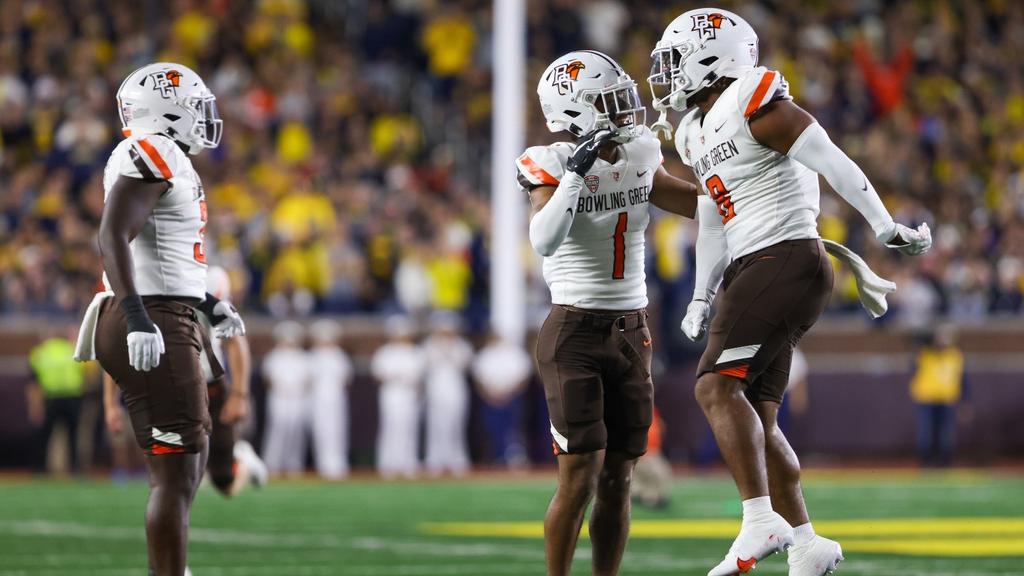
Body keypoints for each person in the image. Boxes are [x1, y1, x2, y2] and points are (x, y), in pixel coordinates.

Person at [649, 9, 932, 575]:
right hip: (761, 263)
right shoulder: (693, 128)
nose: (667, 74)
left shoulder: (756, 102)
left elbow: (830, 158)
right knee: (756, 412)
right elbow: (712, 218)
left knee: (713, 388)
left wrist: (882, 224)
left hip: (785, 257)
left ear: (713, 58)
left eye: (675, 60)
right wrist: (702, 295)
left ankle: (759, 519)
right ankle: (806, 542)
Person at [520, 50, 697, 576]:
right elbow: (544, 239)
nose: (624, 110)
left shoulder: (641, 149)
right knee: (579, 476)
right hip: (574, 329)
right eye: (608, 102)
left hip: (632, 329)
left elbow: (681, 199)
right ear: (573, 112)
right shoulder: (549, 161)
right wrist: (577, 174)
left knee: (620, 477)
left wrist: (740, 190)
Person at [73, 62, 243, 576]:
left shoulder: (168, 157)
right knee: (172, 473)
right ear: (165, 111)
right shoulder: (156, 148)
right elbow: (112, 236)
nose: (203, 117)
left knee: (186, 461)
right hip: (150, 315)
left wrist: (208, 304)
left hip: (165, 309)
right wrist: (137, 314)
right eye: (195, 107)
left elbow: (161, 253)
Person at [371, 316, 425, 479]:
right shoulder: (385, 352)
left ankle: (408, 463)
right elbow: (379, 375)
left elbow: (420, 376)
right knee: (391, 426)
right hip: (391, 393)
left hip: (409, 394)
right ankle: (388, 464)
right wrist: (396, 378)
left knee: (409, 427)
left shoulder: (416, 352)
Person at [27, 328, 87, 475]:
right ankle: (75, 469)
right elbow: (87, 375)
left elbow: (34, 383)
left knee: (45, 436)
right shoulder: (72, 350)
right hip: (73, 398)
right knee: (73, 436)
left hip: (51, 398)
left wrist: (35, 406)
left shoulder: (40, 353)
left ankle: (40, 469)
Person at [422, 313, 474, 477]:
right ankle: (435, 461)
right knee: (436, 425)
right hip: (436, 389)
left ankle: (457, 460)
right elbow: (425, 364)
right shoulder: (429, 345)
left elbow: (465, 363)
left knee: (456, 423)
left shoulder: (461, 346)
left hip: (456, 389)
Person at [471, 332, 532, 466]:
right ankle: (494, 457)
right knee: (491, 429)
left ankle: (515, 457)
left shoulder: (515, 353)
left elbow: (524, 377)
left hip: (512, 399)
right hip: (490, 399)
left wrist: (509, 394)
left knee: (513, 429)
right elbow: (478, 379)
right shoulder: (485, 354)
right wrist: (490, 395)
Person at [909, 325, 965, 467]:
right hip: (926, 399)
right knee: (925, 433)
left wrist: (965, 402)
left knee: (946, 434)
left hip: (947, 399)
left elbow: (963, 380)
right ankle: (926, 462)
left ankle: (945, 463)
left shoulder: (955, 356)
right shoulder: (925, 353)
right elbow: (913, 360)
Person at [261, 321, 310, 477]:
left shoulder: (302, 357)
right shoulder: (274, 356)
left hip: (298, 398)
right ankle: (272, 464)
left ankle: (294, 465)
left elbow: (308, 380)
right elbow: (268, 379)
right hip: (279, 398)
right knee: (277, 430)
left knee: (296, 431)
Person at [307, 318, 354, 479]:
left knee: (338, 429)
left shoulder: (339, 355)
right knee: (321, 430)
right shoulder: (313, 355)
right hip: (318, 397)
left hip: (336, 396)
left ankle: (338, 464)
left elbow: (346, 379)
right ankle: (324, 464)